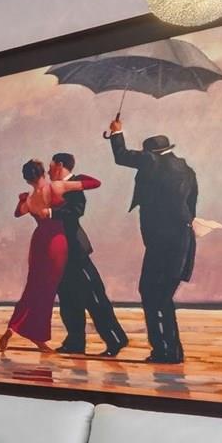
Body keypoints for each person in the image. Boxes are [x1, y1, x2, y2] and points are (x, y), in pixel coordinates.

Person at [106, 116, 198, 365]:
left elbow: (121, 156)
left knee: (149, 292)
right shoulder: (187, 171)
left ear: (151, 153)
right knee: (163, 295)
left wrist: (116, 131)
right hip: (183, 240)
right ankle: (172, 351)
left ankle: (163, 350)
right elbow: (192, 208)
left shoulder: (151, 161)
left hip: (160, 242)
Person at [0, 159, 101, 353]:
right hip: (55, 243)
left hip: (39, 242)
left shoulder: (30, 199)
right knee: (47, 291)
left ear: (27, 179)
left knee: (33, 287)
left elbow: (18, 213)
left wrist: (22, 199)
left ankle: (12, 328)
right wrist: (72, 177)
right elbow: (95, 183)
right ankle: (38, 337)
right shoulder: (57, 187)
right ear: (43, 172)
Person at [49, 152, 128, 358]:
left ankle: (115, 339)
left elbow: (77, 210)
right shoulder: (54, 186)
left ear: (59, 165)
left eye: (51, 165)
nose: (48, 170)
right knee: (67, 298)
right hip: (60, 251)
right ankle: (75, 341)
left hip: (75, 250)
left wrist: (51, 213)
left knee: (94, 296)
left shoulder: (75, 184)